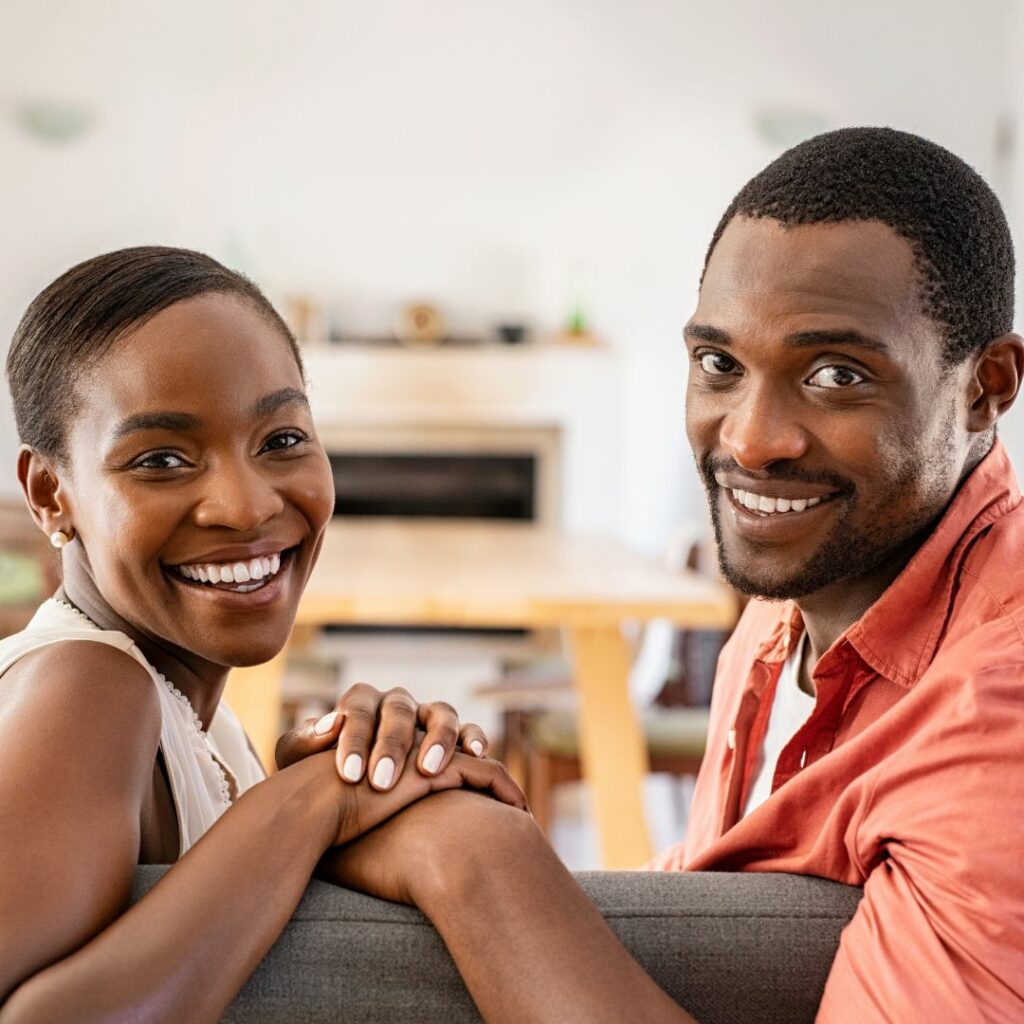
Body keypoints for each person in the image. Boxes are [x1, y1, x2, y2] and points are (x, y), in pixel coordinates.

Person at [0, 248, 528, 1021]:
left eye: (281, 441)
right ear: (52, 495)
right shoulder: (89, 685)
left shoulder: (196, 711)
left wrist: (354, 805)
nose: (246, 508)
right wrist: (309, 800)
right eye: (162, 459)